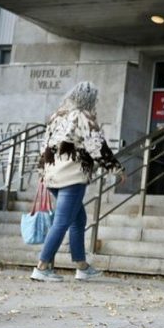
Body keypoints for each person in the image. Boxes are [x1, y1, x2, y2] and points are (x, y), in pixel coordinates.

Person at [31, 82, 125, 282]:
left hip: (53, 176)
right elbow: (97, 146)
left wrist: (42, 172)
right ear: (90, 99)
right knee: (62, 222)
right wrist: (116, 169)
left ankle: (82, 266)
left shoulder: (58, 116)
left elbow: (44, 146)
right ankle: (42, 266)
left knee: (78, 220)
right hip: (71, 177)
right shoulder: (83, 116)